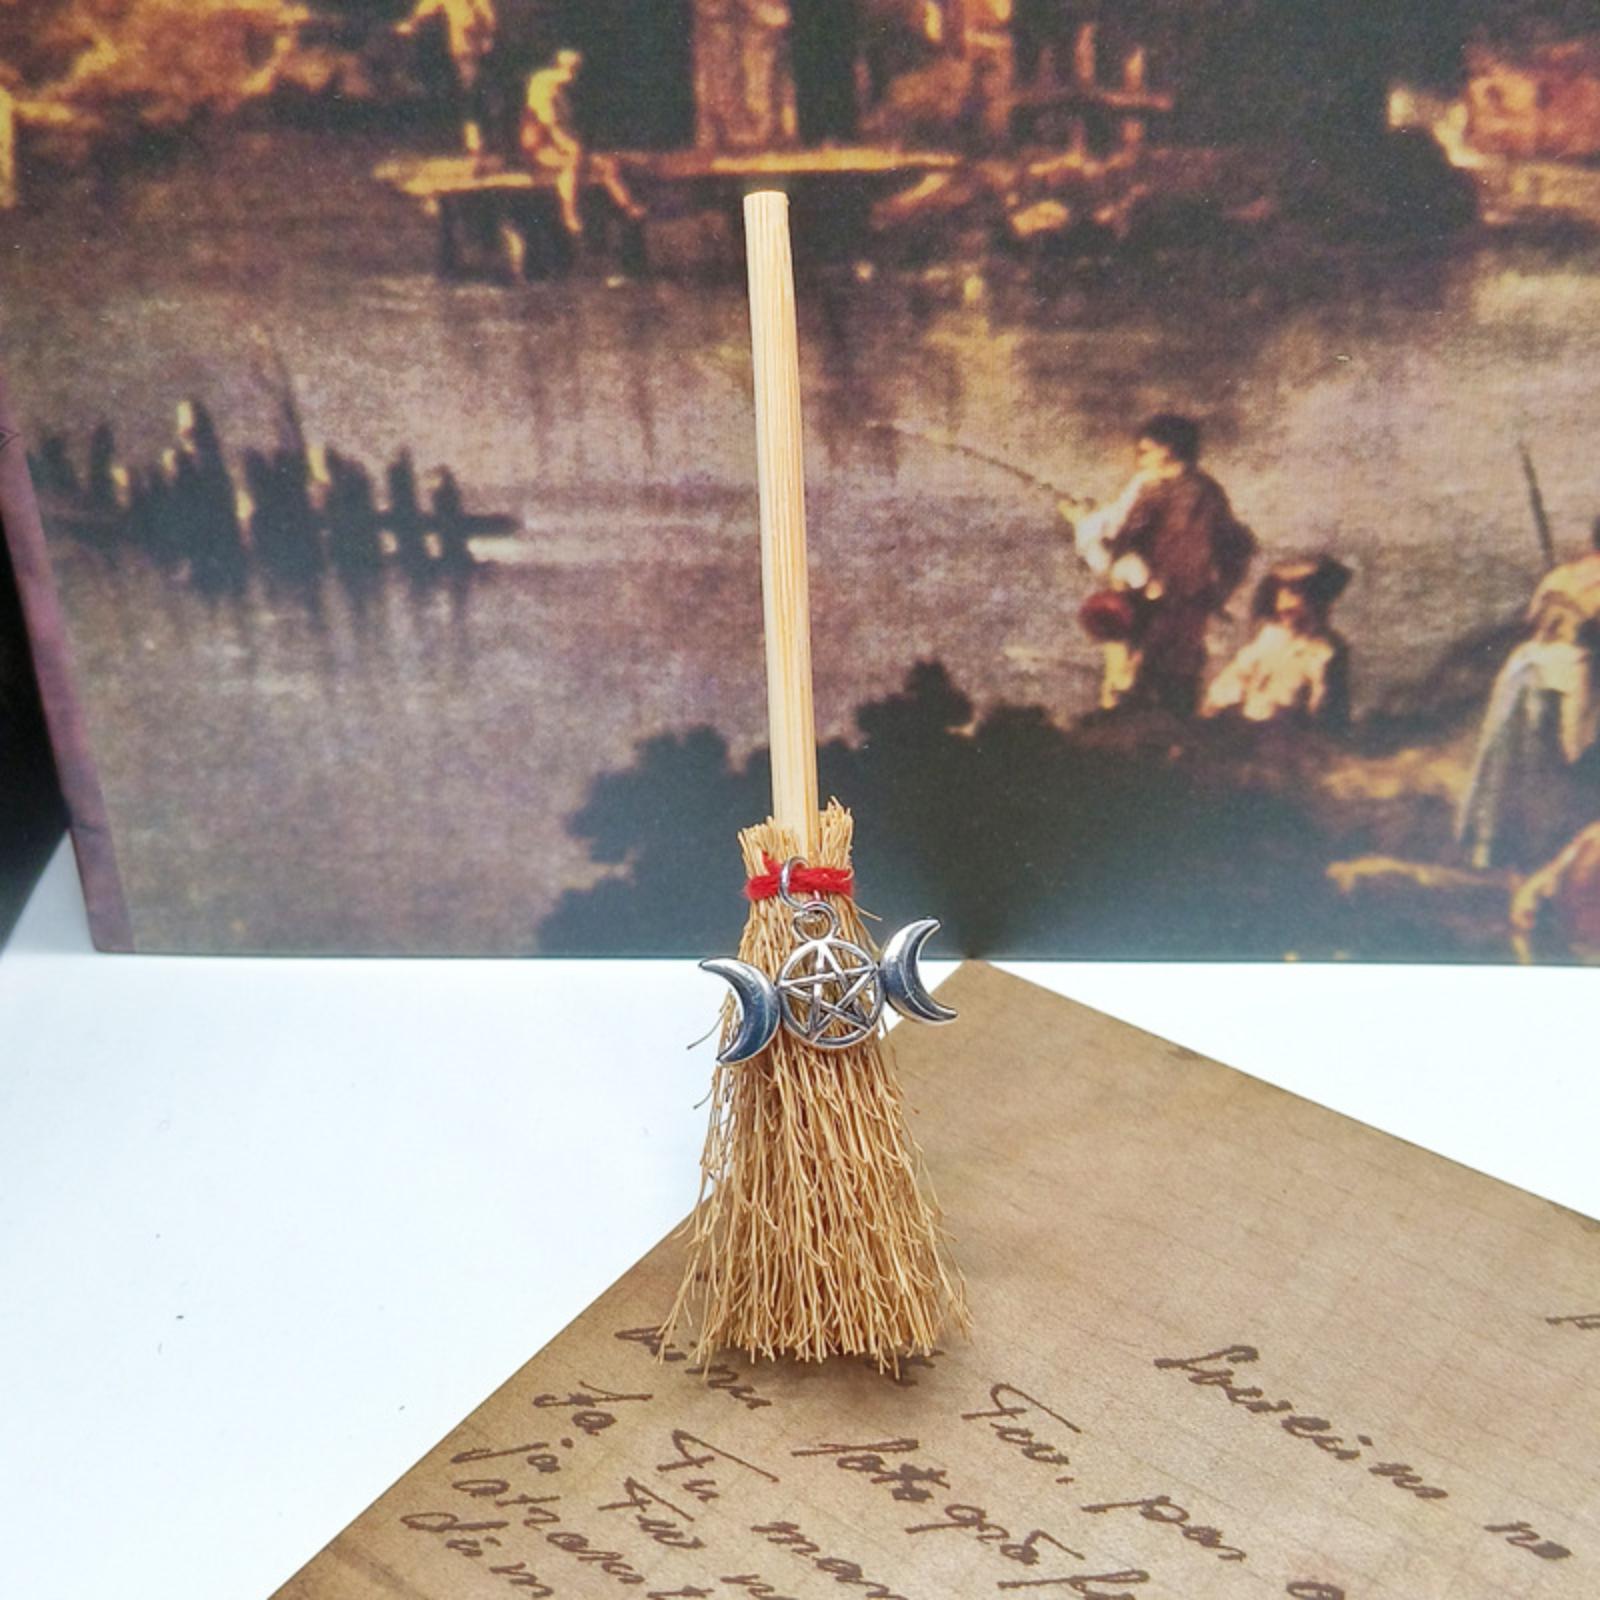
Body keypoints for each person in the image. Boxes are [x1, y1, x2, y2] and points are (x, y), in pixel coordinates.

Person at [1067, 413, 1256, 715]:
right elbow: (1238, 546)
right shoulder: (1204, 491)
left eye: (1145, 452)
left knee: (1136, 686)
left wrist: (1083, 522)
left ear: (1167, 449)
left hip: (1153, 606)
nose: (1139, 460)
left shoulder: (1160, 490)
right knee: (1170, 683)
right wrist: (1216, 594)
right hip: (1180, 606)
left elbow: (1120, 541)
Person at [1457, 518, 1600, 870]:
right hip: (1569, 674)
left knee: (1508, 758)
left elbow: (1531, 619)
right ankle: (1558, 849)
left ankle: (1492, 847)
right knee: (1570, 762)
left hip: (1524, 667)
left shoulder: (1560, 575)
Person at [1203, 555, 1352, 729]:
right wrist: (1223, 703)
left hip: (1288, 737)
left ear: (1320, 602)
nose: (1286, 601)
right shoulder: (1269, 639)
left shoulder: (1325, 652)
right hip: (1247, 731)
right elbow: (1226, 686)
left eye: (1297, 592)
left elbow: (1323, 716)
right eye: (1283, 591)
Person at [519, 48, 645, 238]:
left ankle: (627, 205)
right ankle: (569, 211)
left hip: (562, 145)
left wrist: (575, 146)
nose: (571, 74)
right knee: (574, 161)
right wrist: (572, 147)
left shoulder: (562, 94)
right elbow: (553, 129)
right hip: (541, 149)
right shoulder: (543, 88)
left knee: (607, 164)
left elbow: (567, 129)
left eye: (574, 68)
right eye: (568, 68)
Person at [398, 0, 499, 162]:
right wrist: (412, 24)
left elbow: (488, 22)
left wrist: (487, 38)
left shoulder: (479, 4)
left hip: (480, 54)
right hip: (463, 52)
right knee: (469, 94)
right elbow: (425, 9)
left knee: (478, 95)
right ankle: (475, 142)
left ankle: (482, 141)